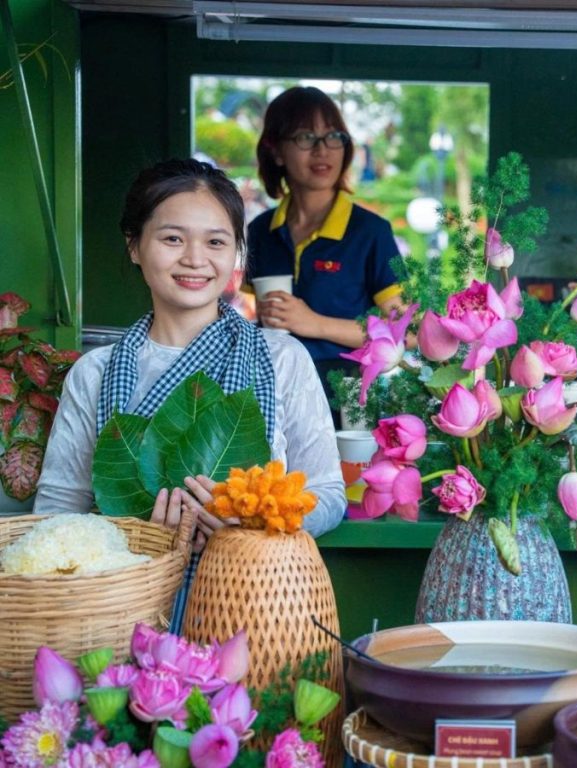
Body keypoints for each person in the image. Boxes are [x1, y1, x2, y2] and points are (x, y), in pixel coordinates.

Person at [34, 158, 346, 628]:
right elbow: (56, 516)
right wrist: (133, 536)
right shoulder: (95, 373)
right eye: (172, 238)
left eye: (216, 242)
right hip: (121, 616)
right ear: (135, 246)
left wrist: (255, 523)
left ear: (236, 253)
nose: (196, 259)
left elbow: (326, 492)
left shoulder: (282, 360)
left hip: (258, 610)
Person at [246, 86, 404, 418]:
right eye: (305, 137)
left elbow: (406, 330)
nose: (323, 150)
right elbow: (254, 314)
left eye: (333, 136)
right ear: (276, 150)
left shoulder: (371, 231)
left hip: (345, 393)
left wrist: (314, 324)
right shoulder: (261, 231)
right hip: (271, 387)